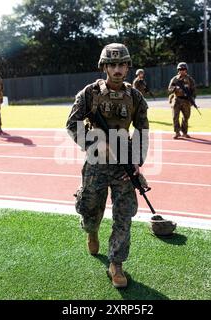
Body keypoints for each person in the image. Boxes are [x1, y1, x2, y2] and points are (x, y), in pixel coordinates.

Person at [66, 43, 149, 289]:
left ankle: (117, 263)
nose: (117, 69)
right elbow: (72, 124)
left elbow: (142, 130)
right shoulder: (89, 93)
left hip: (123, 167)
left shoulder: (135, 96)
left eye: (122, 64)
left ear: (128, 66)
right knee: (90, 212)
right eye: (112, 65)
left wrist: (136, 160)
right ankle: (92, 231)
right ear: (104, 67)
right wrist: (95, 144)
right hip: (96, 165)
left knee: (124, 215)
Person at [168, 62, 196, 139]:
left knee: (186, 117)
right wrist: (175, 88)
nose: (182, 71)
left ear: (186, 70)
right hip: (177, 100)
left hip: (186, 101)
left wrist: (192, 100)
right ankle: (177, 132)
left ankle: (184, 132)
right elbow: (169, 89)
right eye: (180, 69)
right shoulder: (175, 79)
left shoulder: (190, 79)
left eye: (183, 69)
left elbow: (193, 90)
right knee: (175, 117)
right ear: (178, 70)